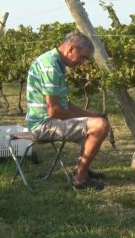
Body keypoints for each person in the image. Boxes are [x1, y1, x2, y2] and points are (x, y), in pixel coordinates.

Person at [26, 31, 110, 190]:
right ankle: (80, 179)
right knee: (100, 126)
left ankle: (82, 169)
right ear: (71, 49)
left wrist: (90, 115)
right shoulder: (50, 67)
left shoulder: (56, 63)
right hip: (43, 125)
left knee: (96, 120)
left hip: (49, 120)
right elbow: (55, 111)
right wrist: (92, 120)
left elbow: (63, 105)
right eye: (83, 57)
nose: (82, 62)